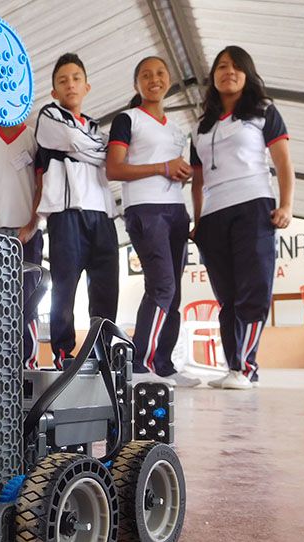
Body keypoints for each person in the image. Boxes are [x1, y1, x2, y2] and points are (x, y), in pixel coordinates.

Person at [190, 46, 294, 390]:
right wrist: (198, 219)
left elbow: (282, 163)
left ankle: (246, 368)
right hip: (214, 216)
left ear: (247, 74)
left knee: (254, 290)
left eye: (236, 67)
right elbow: (198, 178)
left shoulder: (263, 112)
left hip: (253, 206)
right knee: (228, 298)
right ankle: (234, 366)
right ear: (213, 77)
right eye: (221, 67)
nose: (228, 72)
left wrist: (286, 205)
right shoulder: (200, 128)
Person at [106, 56, 200, 387]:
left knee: (173, 294)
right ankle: (140, 364)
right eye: (146, 75)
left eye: (160, 73)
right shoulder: (126, 119)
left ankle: (164, 365)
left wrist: (181, 171)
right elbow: (114, 169)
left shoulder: (177, 130)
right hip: (145, 210)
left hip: (176, 211)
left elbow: (178, 169)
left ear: (170, 79)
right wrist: (162, 168)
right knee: (162, 287)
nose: (154, 79)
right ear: (137, 84)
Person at [35, 53, 119, 370]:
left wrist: (90, 147)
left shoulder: (99, 129)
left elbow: (104, 151)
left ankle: (103, 351)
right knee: (64, 286)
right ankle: (63, 352)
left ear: (87, 86)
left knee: (106, 288)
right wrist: (98, 150)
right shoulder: (49, 116)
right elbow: (74, 139)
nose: (70, 84)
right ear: (55, 91)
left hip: (103, 215)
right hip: (66, 213)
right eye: (62, 80)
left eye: (76, 78)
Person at [0, 117, 43, 368]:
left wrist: (32, 224)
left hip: (25, 234)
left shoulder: (34, 137)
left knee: (28, 297)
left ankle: (28, 361)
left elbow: (42, 184)